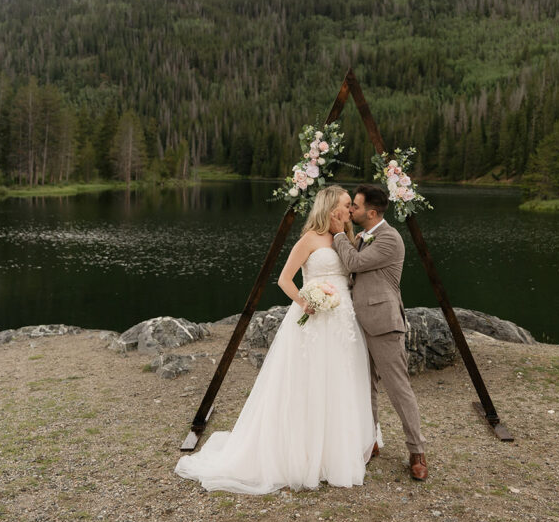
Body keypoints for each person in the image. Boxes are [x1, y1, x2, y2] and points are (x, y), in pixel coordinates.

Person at [174, 185, 377, 494]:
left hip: (343, 320)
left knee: (340, 379)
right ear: (331, 207)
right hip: (314, 319)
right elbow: (284, 279)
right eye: (347, 204)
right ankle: (302, 453)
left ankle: (336, 450)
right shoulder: (309, 239)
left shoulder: (348, 239)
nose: (352, 210)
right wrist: (306, 300)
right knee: (308, 382)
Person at [330, 184, 428, 481]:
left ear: (371, 213)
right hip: (358, 322)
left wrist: (337, 235)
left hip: (384, 323)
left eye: (355, 207)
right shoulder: (362, 237)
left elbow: (355, 263)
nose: (350, 211)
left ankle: (417, 451)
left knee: (398, 389)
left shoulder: (390, 239)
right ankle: (370, 441)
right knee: (365, 386)